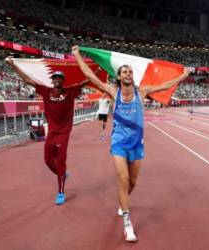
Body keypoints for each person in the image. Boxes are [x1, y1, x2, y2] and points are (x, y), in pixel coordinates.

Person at [72, 45, 189, 242]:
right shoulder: (112, 91)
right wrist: (77, 55)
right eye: (125, 71)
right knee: (123, 181)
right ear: (118, 76)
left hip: (137, 144)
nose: (128, 73)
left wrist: (183, 75)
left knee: (132, 183)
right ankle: (128, 223)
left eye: (130, 71)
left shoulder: (142, 92)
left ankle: (123, 202)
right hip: (119, 142)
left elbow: (165, 85)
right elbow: (91, 76)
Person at [6, 57, 91, 205]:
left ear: (62, 81)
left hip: (64, 133)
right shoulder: (45, 91)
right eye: (55, 78)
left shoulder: (70, 92)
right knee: (47, 160)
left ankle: (61, 192)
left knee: (61, 162)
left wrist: (98, 70)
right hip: (52, 132)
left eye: (59, 78)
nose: (57, 80)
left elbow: (88, 80)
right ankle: (62, 174)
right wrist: (13, 65)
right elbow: (26, 79)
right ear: (52, 81)